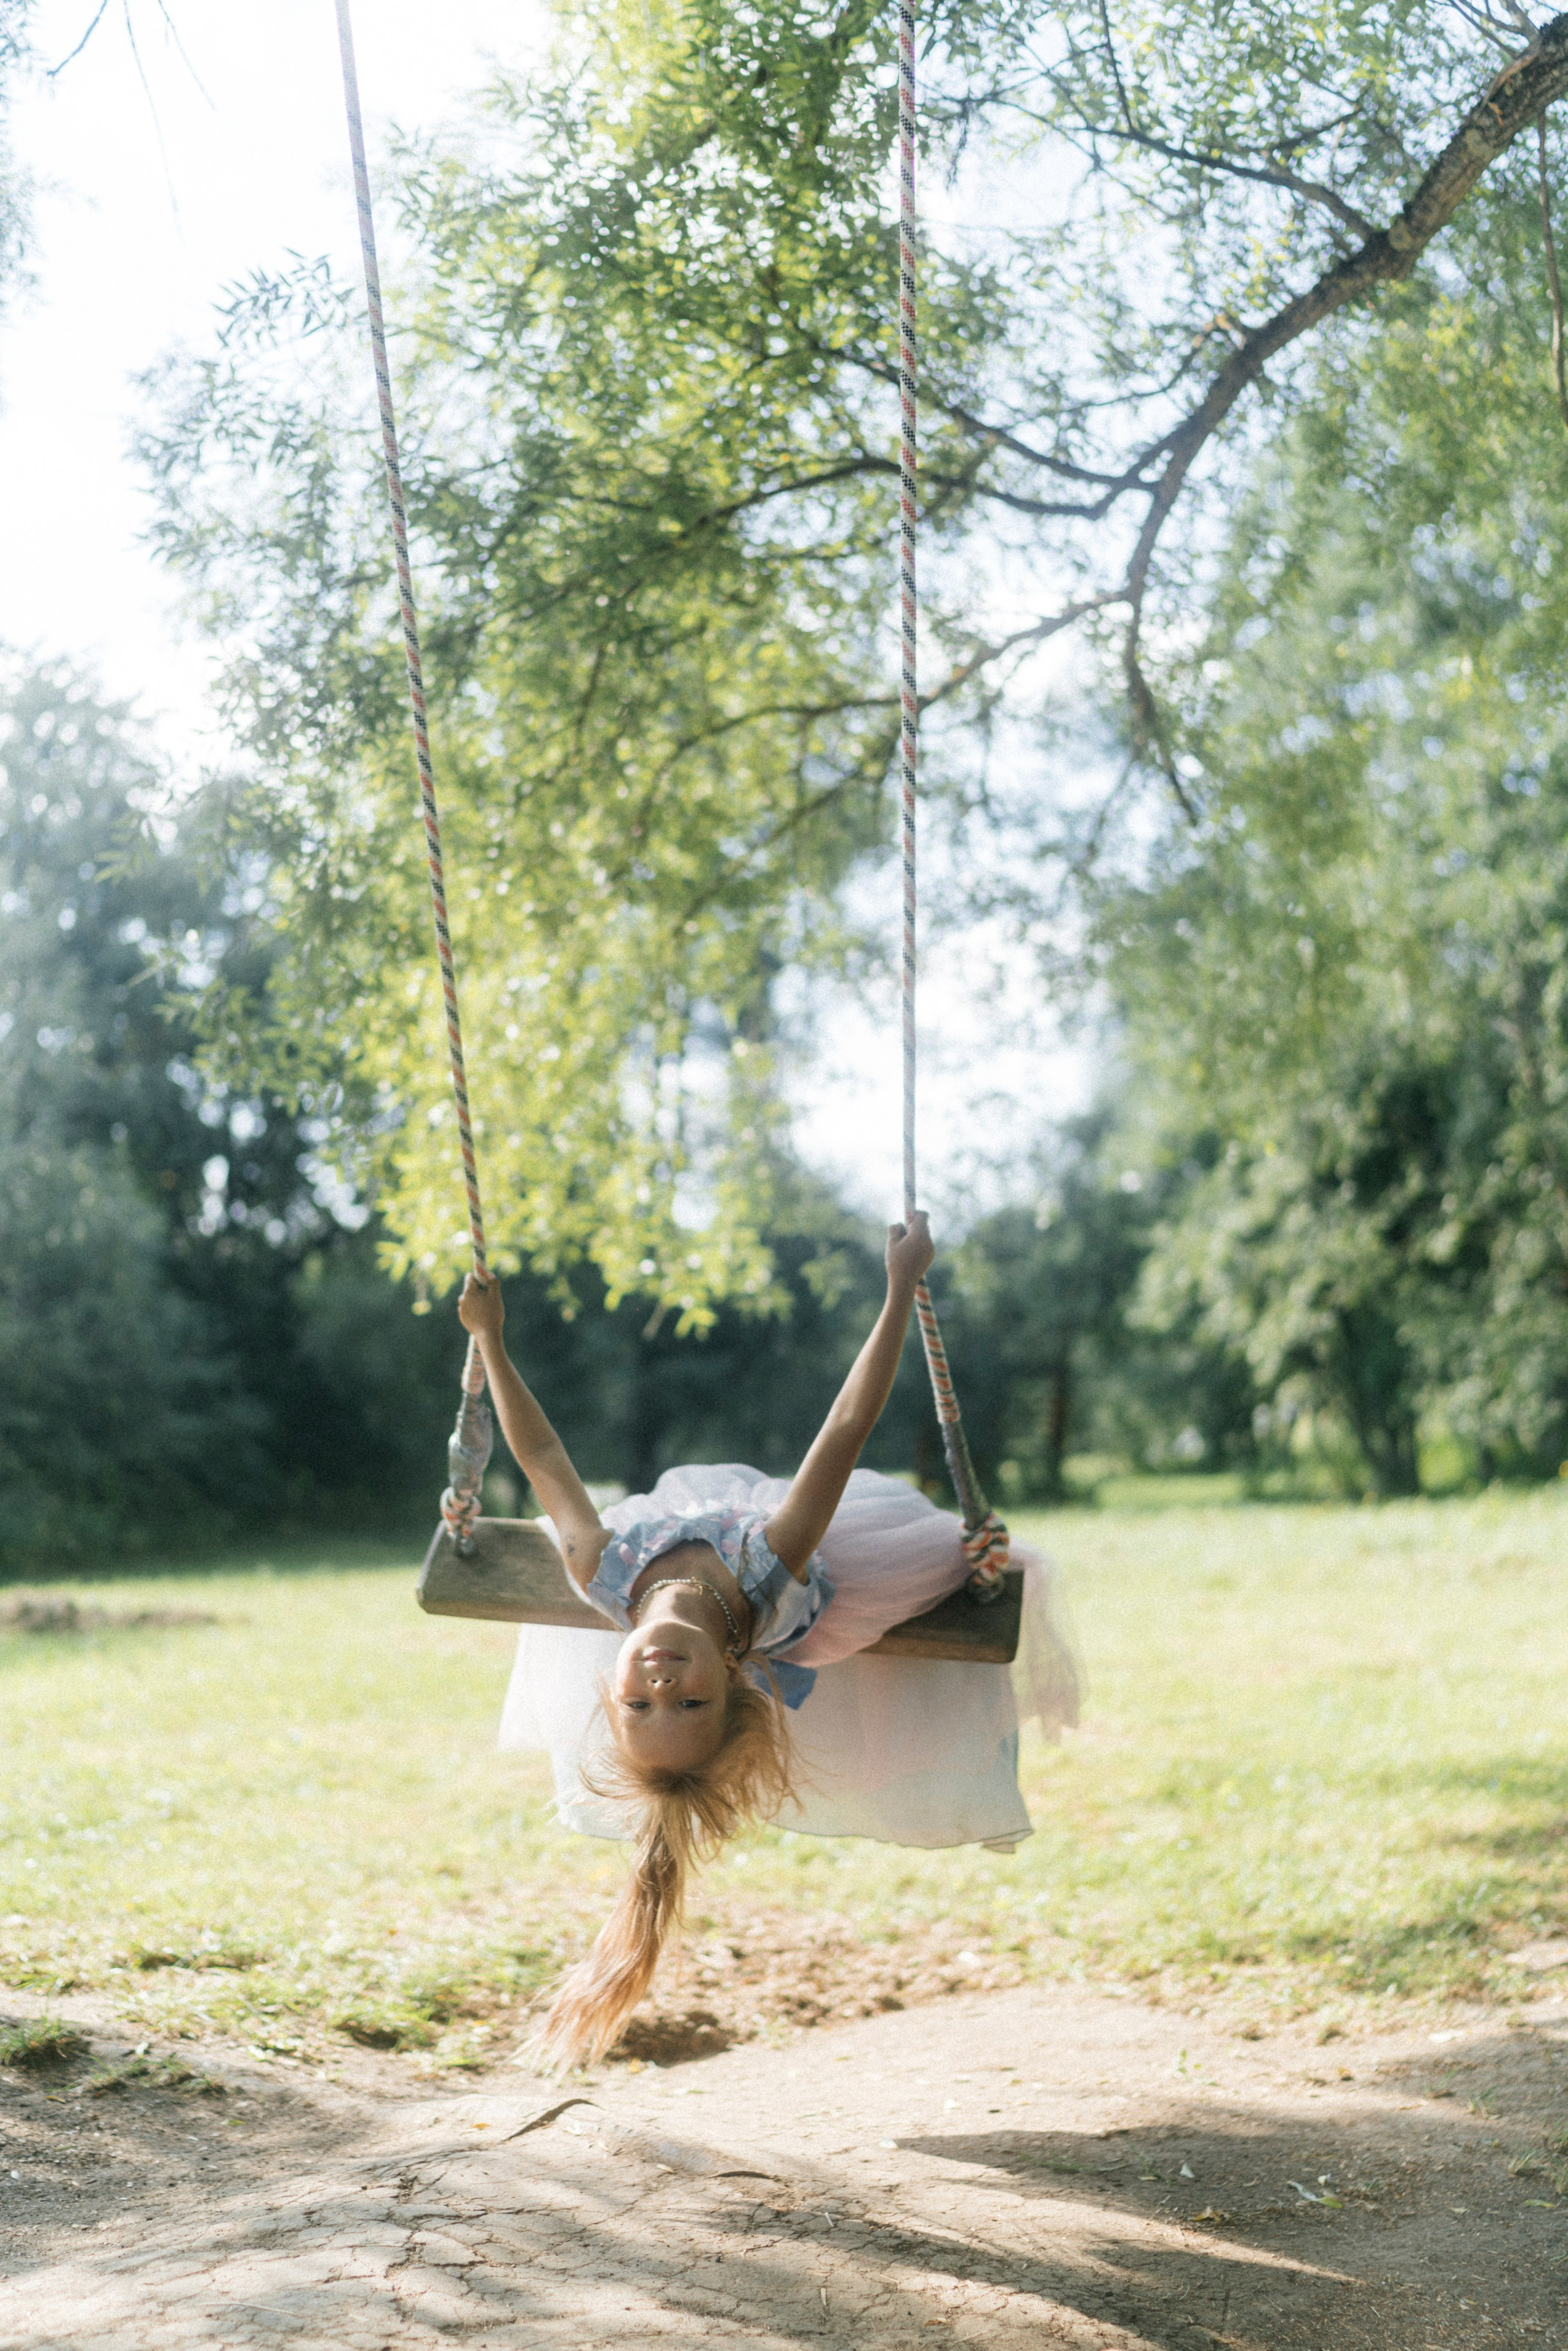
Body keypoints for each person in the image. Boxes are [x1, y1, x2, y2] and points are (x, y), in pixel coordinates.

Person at [457, 1213, 1077, 2069]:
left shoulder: (603, 1567)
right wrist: (900, 1286)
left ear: (613, 1691)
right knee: (910, 1538)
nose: (661, 1677)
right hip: (843, 1569)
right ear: (738, 1680)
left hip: (701, 1530)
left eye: (640, 1702)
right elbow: (848, 1424)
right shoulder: (769, 1570)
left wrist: (489, 1339)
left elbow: (539, 1452)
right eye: (691, 1700)